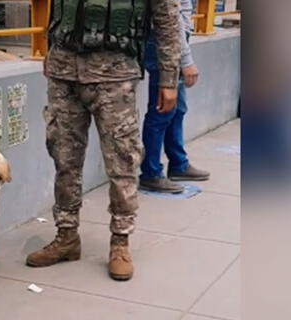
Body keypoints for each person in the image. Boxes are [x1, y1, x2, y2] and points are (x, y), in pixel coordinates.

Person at [25, 0, 182, 281]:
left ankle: (120, 243)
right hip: (63, 70)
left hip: (115, 73)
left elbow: (167, 19)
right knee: (64, 158)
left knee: (122, 161)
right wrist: (49, 52)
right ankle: (66, 235)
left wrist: (169, 79)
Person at [139, 0, 210, 193]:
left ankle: (178, 163)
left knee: (177, 109)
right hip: (165, 44)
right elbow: (171, 19)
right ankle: (151, 173)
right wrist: (186, 60)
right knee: (162, 110)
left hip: (174, 42)